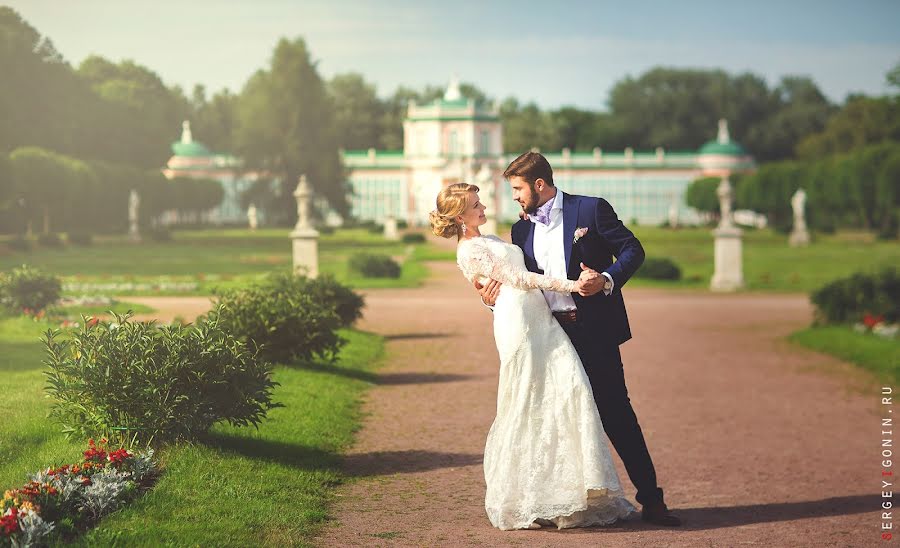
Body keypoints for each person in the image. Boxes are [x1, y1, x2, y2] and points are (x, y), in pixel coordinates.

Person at [476, 151, 681, 527]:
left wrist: (605, 278)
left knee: (616, 413)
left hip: (593, 330)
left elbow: (633, 249)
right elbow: (522, 285)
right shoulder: (520, 230)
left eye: (519, 189)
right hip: (547, 335)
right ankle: (556, 504)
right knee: (550, 417)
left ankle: (653, 501)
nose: (515, 198)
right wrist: (494, 299)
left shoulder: (591, 210)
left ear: (540, 184)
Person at [429, 182, 637, 530]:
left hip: (540, 319)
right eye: (475, 205)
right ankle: (529, 496)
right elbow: (519, 278)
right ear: (461, 216)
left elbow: (507, 274)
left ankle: (570, 491)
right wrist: (575, 285)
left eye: (480, 201)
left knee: (567, 394)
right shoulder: (467, 250)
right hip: (521, 327)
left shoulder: (492, 238)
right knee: (530, 402)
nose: (483, 206)